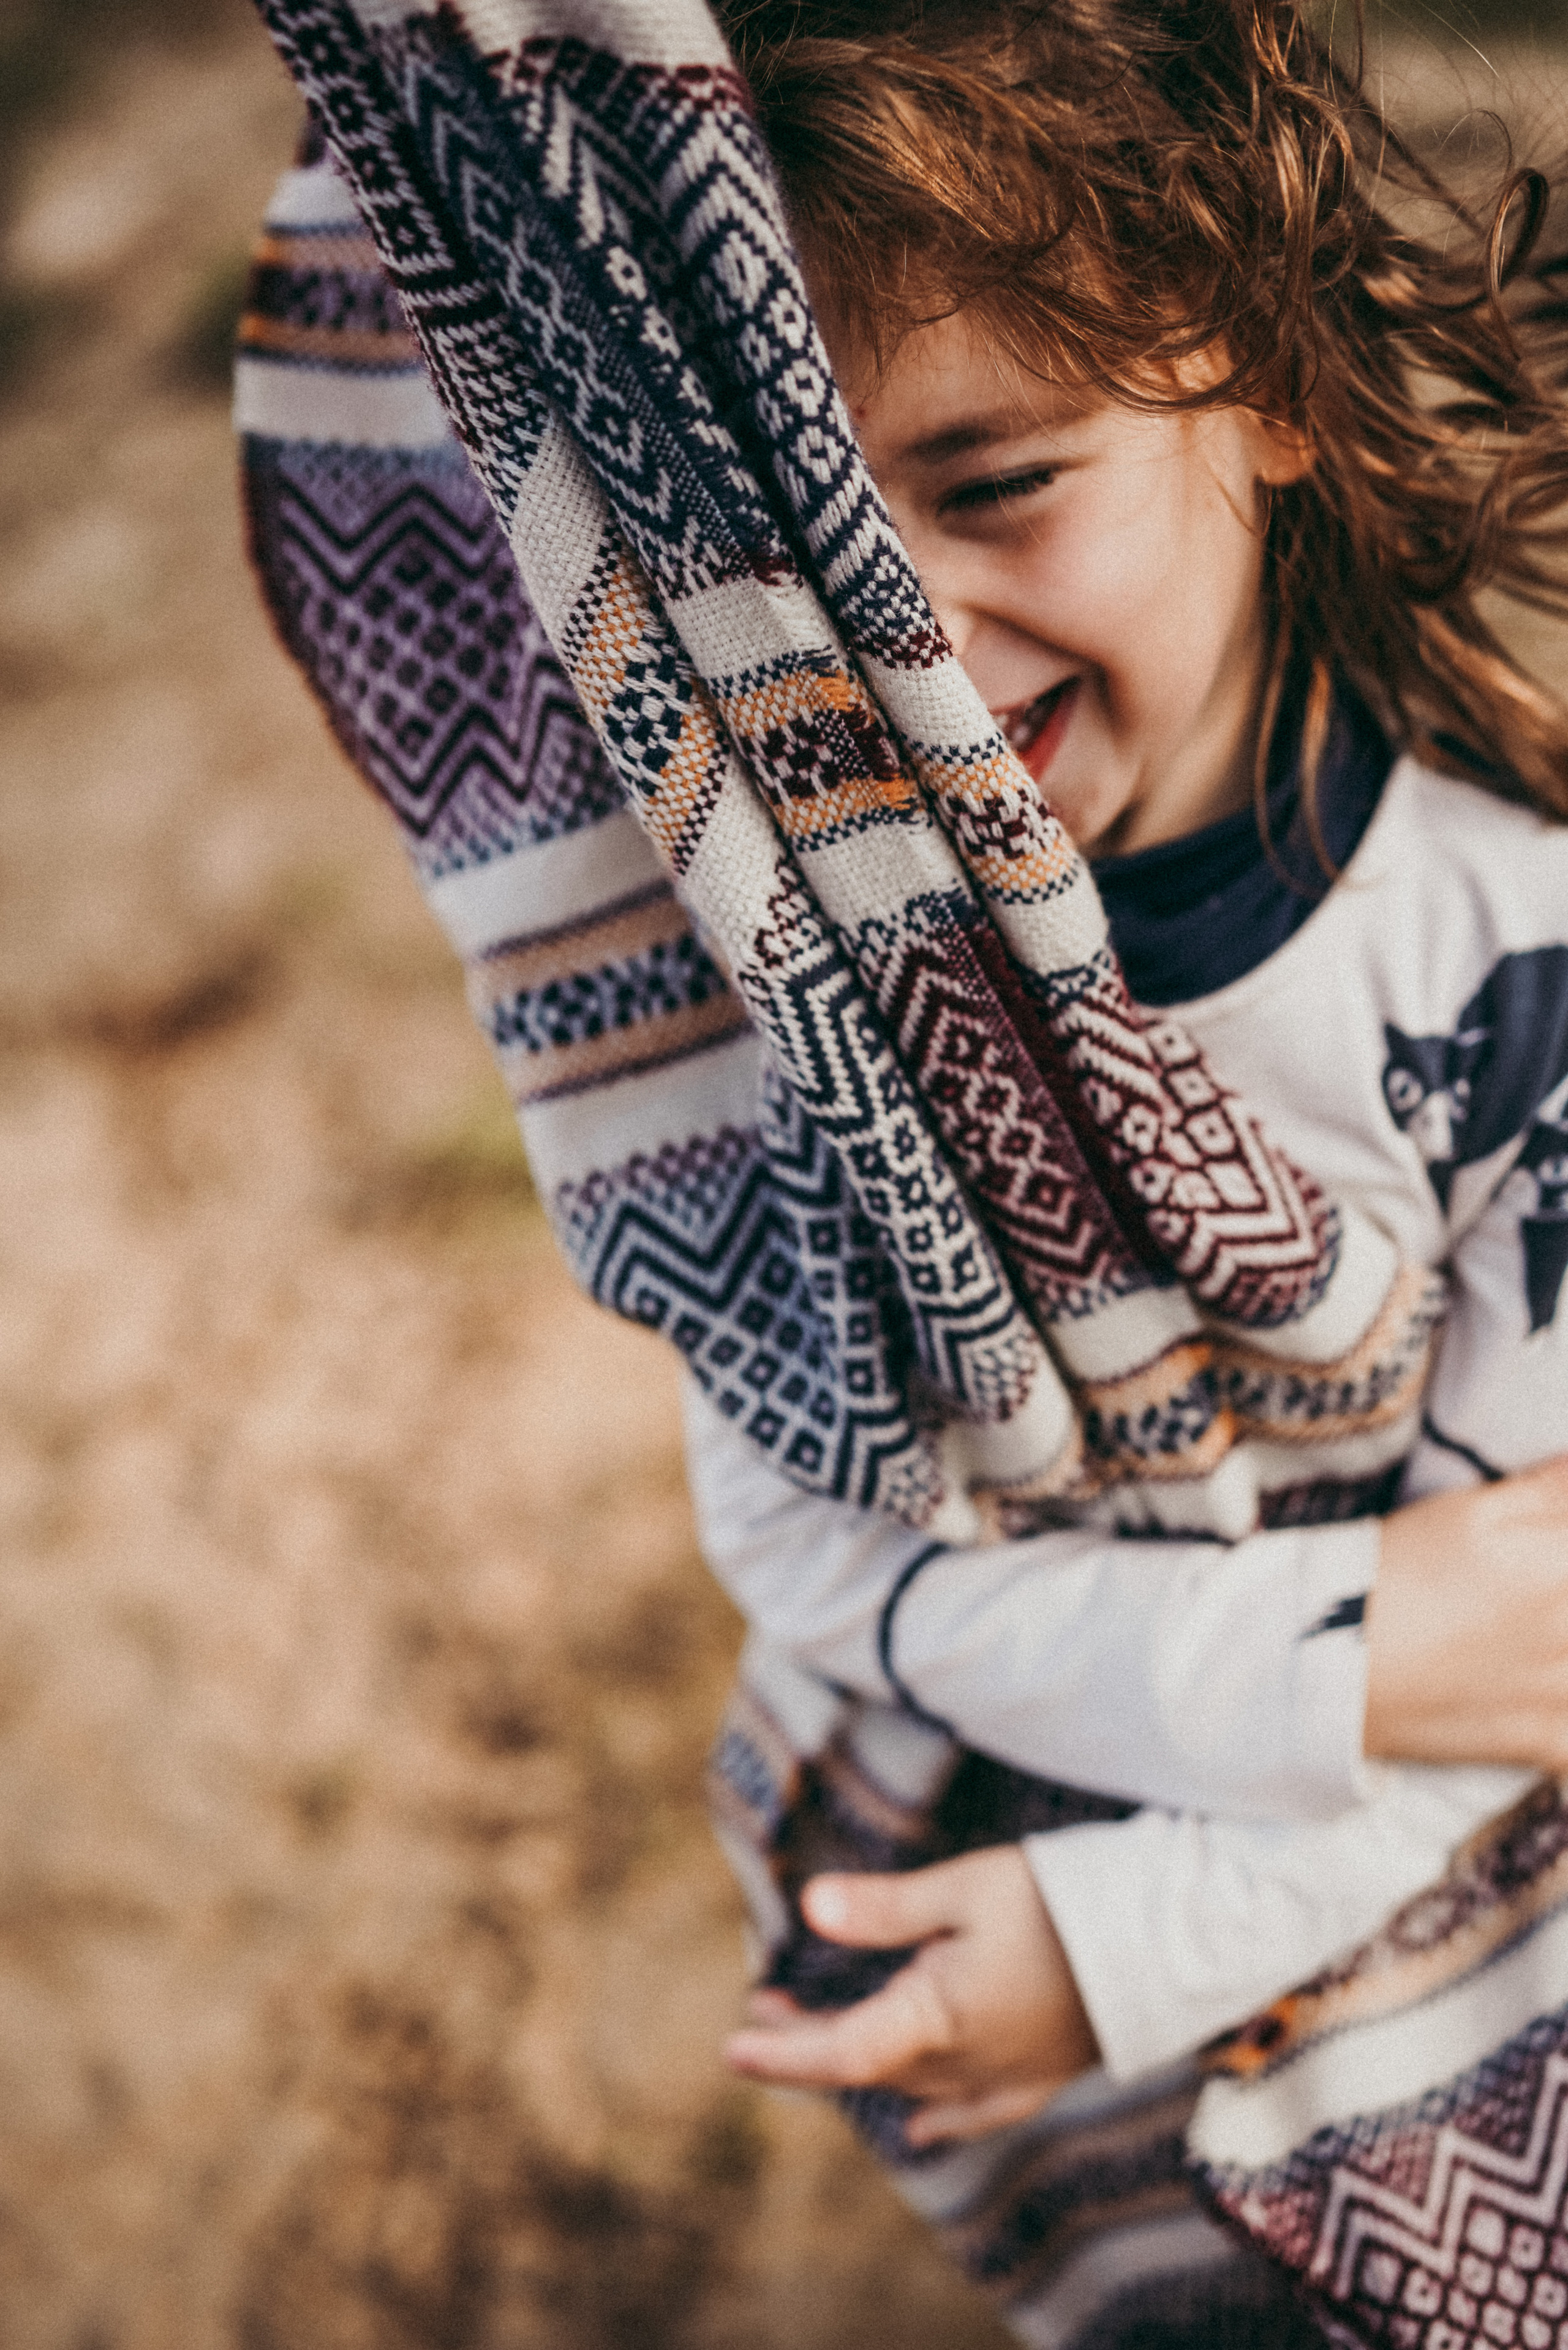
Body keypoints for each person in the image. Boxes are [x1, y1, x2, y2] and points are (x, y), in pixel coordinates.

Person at [671, 0, 1568, 2164]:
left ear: (1255, 384)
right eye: (812, 568)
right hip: (926, 1892)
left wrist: (1131, 1937)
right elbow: (797, 1535)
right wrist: (1339, 1658)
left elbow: (1532, 1668)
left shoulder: (1515, 984)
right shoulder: (786, 947)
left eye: (998, 487)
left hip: (1388, 1962)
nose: (922, 674)